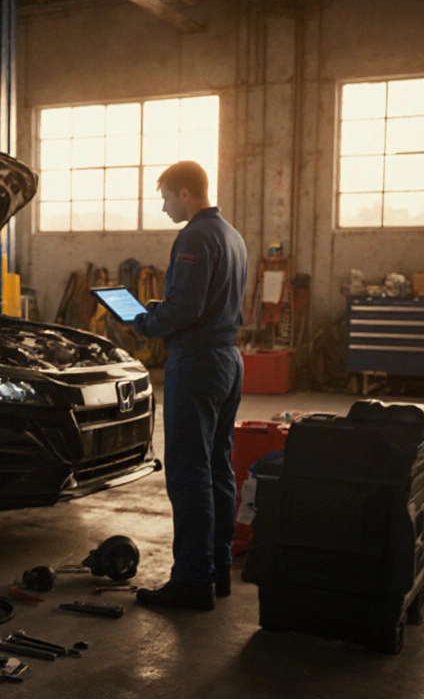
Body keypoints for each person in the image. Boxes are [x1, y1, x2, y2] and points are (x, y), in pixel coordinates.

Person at [130, 160, 247, 611]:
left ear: (185, 193)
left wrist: (147, 322)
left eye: (165, 197)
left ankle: (192, 581)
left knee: (187, 470)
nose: (163, 207)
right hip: (227, 359)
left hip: (197, 362)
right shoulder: (231, 236)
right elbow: (203, 301)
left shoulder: (196, 236)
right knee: (218, 465)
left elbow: (186, 309)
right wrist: (168, 307)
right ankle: (216, 571)